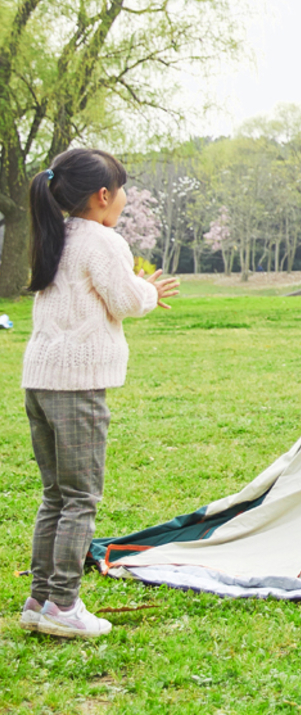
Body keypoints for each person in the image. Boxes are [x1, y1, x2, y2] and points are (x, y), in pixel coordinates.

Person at [18, 148, 179, 639]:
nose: (126, 199)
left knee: (55, 496)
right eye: (123, 189)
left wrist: (134, 285)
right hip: (78, 386)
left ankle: (40, 599)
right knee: (81, 499)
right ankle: (63, 604)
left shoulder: (55, 235)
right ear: (103, 195)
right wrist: (148, 290)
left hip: (40, 381)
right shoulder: (102, 241)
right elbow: (126, 301)